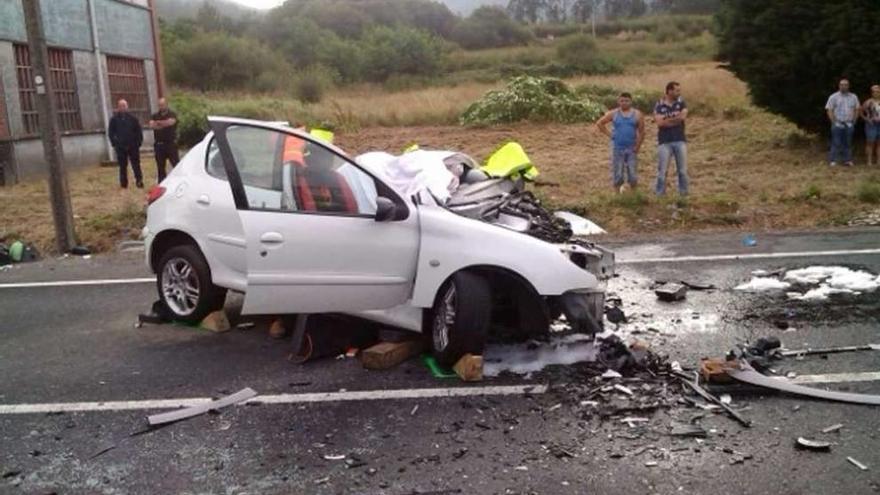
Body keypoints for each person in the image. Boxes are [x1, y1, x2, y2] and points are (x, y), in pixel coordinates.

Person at [596, 92, 645, 192]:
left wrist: (637, 146)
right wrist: (610, 135)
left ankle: (634, 194)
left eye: (627, 101)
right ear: (618, 101)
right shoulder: (614, 113)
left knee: (632, 172)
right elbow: (600, 123)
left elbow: (642, 132)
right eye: (622, 101)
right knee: (618, 172)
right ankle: (617, 194)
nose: (624, 103)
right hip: (617, 147)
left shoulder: (637, 114)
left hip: (631, 147)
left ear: (631, 102)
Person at [654, 81, 689, 196]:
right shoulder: (659, 104)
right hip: (664, 141)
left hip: (680, 140)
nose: (679, 92)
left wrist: (667, 120)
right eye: (677, 90)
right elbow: (659, 123)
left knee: (682, 170)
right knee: (662, 171)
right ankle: (660, 194)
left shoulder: (681, 103)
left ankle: (683, 194)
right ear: (669, 91)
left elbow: (682, 117)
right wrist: (675, 119)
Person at [108, 99, 143, 188]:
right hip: (120, 147)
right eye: (120, 106)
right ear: (118, 108)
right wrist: (114, 144)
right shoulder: (114, 120)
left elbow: (139, 132)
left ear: (127, 107)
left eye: (124, 106)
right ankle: (124, 183)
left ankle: (139, 181)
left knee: (136, 165)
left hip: (133, 146)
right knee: (122, 166)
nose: (122, 108)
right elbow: (111, 133)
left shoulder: (133, 119)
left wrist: (138, 143)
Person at [825, 78, 860, 167]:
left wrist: (854, 121)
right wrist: (833, 121)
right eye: (842, 85)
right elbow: (829, 110)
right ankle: (833, 160)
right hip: (838, 123)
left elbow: (857, 109)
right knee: (836, 142)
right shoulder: (833, 97)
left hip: (849, 123)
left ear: (848, 86)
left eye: (845, 85)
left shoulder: (854, 97)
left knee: (848, 142)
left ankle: (847, 160)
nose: (843, 86)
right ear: (839, 86)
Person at [148, 98, 179, 182]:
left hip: (170, 144)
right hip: (159, 145)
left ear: (166, 105)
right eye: (159, 105)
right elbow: (151, 125)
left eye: (163, 105)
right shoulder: (154, 115)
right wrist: (164, 123)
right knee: (160, 167)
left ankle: (179, 181)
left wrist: (158, 123)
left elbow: (171, 122)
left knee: (176, 165)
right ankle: (162, 183)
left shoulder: (172, 114)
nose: (161, 106)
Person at [861, 85, 880, 166]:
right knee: (870, 143)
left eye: (877, 92)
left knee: (879, 143)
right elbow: (860, 112)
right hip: (871, 125)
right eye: (874, 91)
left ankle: (879, 161)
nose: (876, 93)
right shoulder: (868, 102)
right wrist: (866, 119)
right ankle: (869, 161)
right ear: (871, 93)